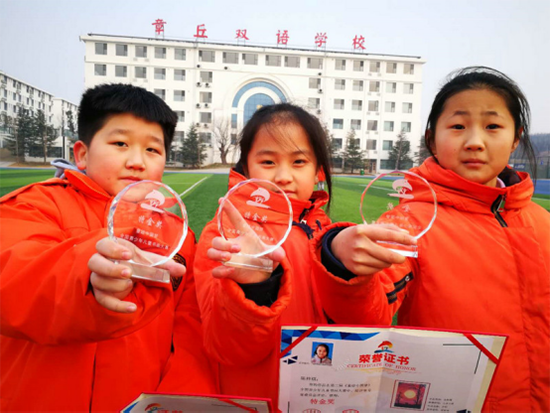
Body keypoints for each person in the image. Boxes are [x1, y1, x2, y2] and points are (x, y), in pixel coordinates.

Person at [313, 67, 550, 411]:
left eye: (493, 126)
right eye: (457, 126)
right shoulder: (410, 222)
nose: (474, 141)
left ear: (516, 138)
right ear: (431, 137)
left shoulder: (542, 222)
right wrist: (346, 267)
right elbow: (368, 315)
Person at [0, 84, 215, 411]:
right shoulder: (35, 205)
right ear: (82, 154)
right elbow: (13, 277)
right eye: (120, 143)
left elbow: (190, 335)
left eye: (153, 150)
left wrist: (176, 398)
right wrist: (87, 272)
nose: (136, 161)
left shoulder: (178, 236)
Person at [190, 103, 408, 406]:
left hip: (323, 399)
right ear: (247, 166)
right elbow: (228, 350)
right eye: (267, 162)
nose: (283, 176)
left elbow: (369, 330)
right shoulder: (225, 237)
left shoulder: (331, 236)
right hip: (256, 399)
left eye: (298, 162)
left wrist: (349, 273)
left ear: (317, 170)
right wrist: (254, 287)